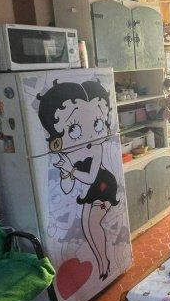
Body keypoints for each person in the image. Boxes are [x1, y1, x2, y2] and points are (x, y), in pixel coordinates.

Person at [37, 79, 118, 280]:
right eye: (73, 128)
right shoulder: (69, 153)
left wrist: (70, 170)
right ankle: (104, 263)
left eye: (97, 123)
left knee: (93, 224)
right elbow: (66, 189)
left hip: (104, 185)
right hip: (92, 190)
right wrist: (66, 172)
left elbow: (91, 178)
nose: (91, 131)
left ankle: (104, 262)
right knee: (87, 226)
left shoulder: (96, 147)